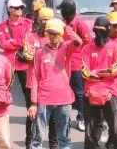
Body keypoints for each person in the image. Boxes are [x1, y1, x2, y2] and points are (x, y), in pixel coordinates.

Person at [29, 18, 82, 149]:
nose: (53, 37)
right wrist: (33, 103)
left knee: (64, 137)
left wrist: (65, 28)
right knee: (38, 137)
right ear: (46, 33)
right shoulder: (40, 52)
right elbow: (35, 78)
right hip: (44, 99)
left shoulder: (67, 47)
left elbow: (79, 42)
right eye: (50, 33)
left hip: (64, 99)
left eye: (56, 33)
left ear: (61, 34)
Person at [81, 16, 117, 149]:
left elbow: (116, 70)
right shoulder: (87, 49)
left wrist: (97, 73)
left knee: (116, 130)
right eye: (96, 30)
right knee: (89, 132)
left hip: (111, 92)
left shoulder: (116, 48)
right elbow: (85, 72)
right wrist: (104, 74)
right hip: (91, 92)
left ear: (108, 30)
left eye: (101, 30)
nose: (98, 33)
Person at [0, 0, 34, 148]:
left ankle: (30, 140)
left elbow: (28, 41)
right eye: (16, 8)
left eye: (21, 7)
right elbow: (3, 44)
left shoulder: (28, 23)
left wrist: (13, 42)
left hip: (25, 65)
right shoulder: (2, 25)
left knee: (30, 101)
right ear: (10, 9)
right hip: (9, 65)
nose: (20, 10)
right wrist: (17, 42)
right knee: (2, 99)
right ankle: (1, 137)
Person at [23, 7, 58, 149]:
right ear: (38, 19)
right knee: (33, 116)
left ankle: (53, 144)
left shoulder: (57, 37)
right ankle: (29, 144)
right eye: (43, 19)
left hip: (52, 83)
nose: (46, 23)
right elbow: (28, 55)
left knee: (53, 118)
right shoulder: (30, 36)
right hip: (33, 83)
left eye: (49, 20)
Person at [58, 0, 90, 131]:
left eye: (62, 10)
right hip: (64, 62)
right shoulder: (62, 23)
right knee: (65, 90)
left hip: (76, 63)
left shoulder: (80, 25)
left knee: (79, 92)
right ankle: (64, 118)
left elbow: (87, 44)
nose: (60, 13)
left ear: (67, 11)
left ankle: (82, 117)